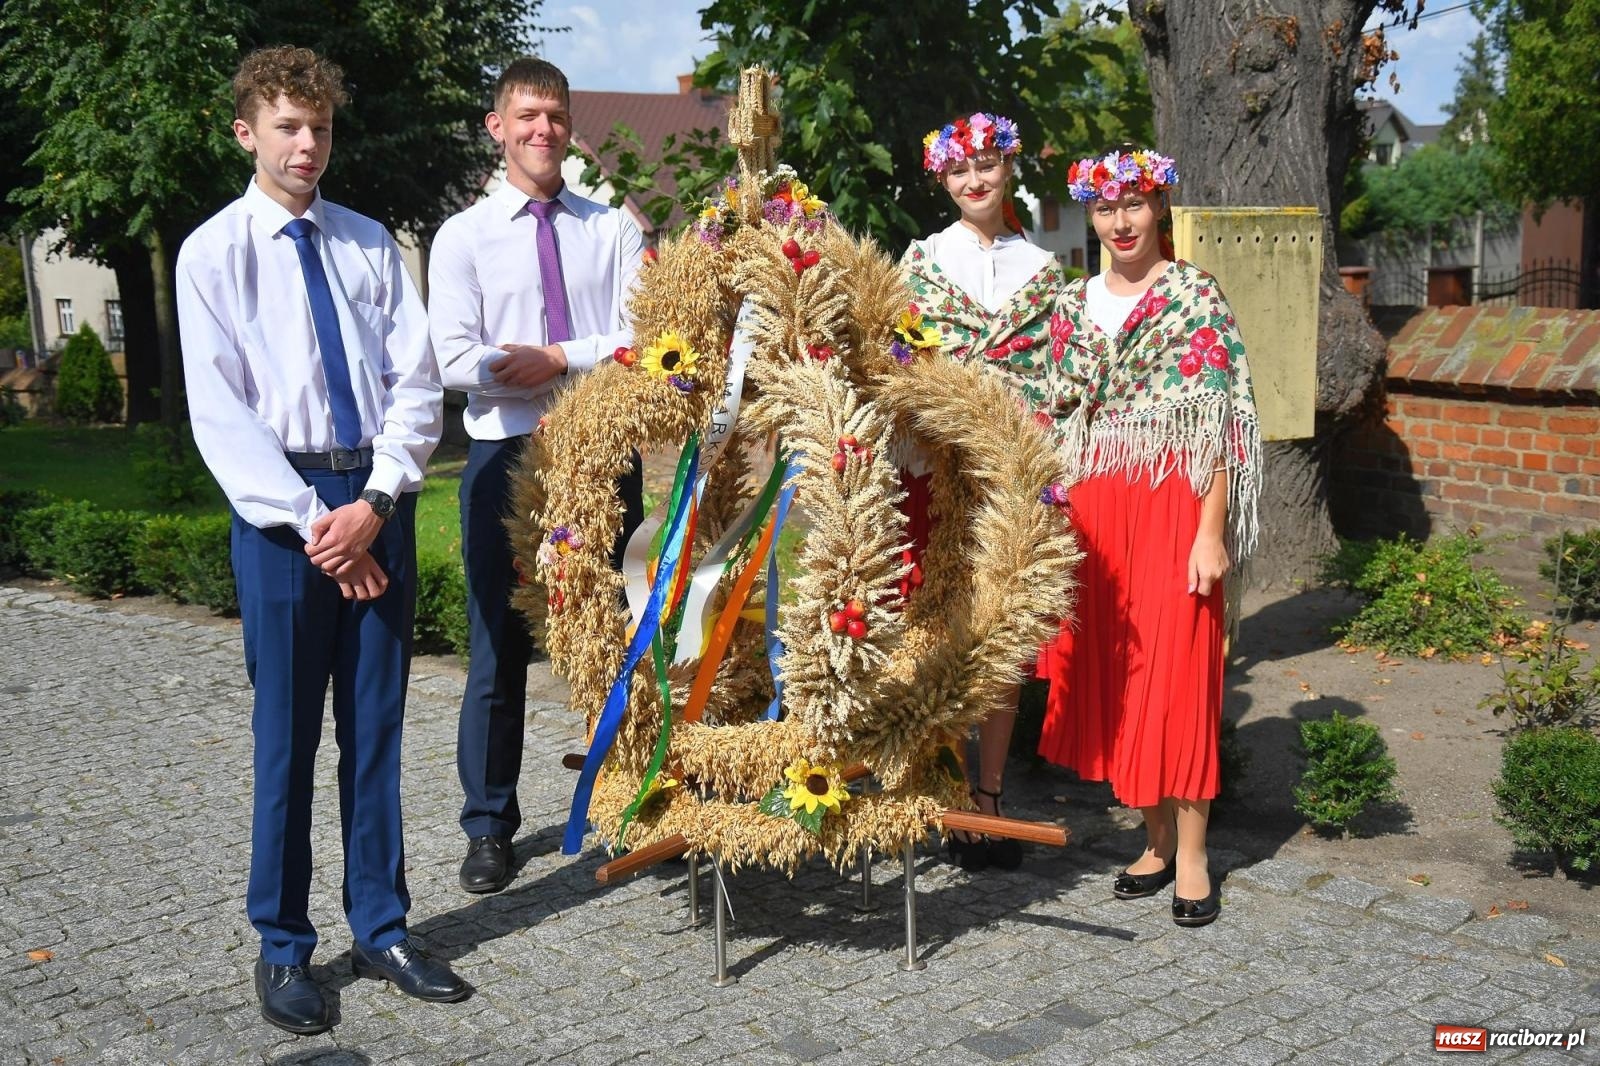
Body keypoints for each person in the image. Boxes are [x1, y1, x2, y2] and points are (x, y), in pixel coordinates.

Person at [176, 46, 464, 1035]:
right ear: (246, 132)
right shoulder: (213, 253)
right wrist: (317, 527)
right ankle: (284, 945)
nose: (308, 145)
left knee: (375, 729)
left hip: (374, 494)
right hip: (284, 516)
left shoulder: (369, 244)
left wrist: (376, 502)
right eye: (288, 127)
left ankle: (382, 926)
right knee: (288, 736)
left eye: (322, 128)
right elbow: (221, 413)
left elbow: (415, 380)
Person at [429, 57, 645, 895]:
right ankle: (489, 825)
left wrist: (559, 356)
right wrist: (508, 368)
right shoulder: (464, 235)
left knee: (614, 631)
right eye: (525, 115)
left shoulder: (610, 228)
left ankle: (630, 795)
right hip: (505, 456)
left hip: (598, 451)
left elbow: (636, 338)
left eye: (553, 115)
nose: (541, 130)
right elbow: (450, 355)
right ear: (497, 126)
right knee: (499, 643)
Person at [1036, 147, 1261, 927]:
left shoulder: (1196, 297)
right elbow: (1052, 419)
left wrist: (1211, 533)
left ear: (1159, 205)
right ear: (1089, 215)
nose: (1120, 221)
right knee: (1126, 681)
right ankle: (1156, 841)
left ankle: (1196, 856)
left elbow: (1221, 425)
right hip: (1095, 512)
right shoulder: (1071, 305)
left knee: (1181, 680)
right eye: (1105, 208)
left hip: (1172, 507)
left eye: (1134, 204)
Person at [900, 112, 1069, 872]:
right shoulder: (920, 263)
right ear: (943, 179)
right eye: (960, 170)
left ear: (1008, 170)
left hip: (1013, 471)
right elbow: (898, 365)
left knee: (1003, 627)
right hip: (936, 472)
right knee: (940, 622)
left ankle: (992, 793)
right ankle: (945, 787)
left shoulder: (1043, 269)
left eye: (987, 166)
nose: (975, 181)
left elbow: (1059, 376)